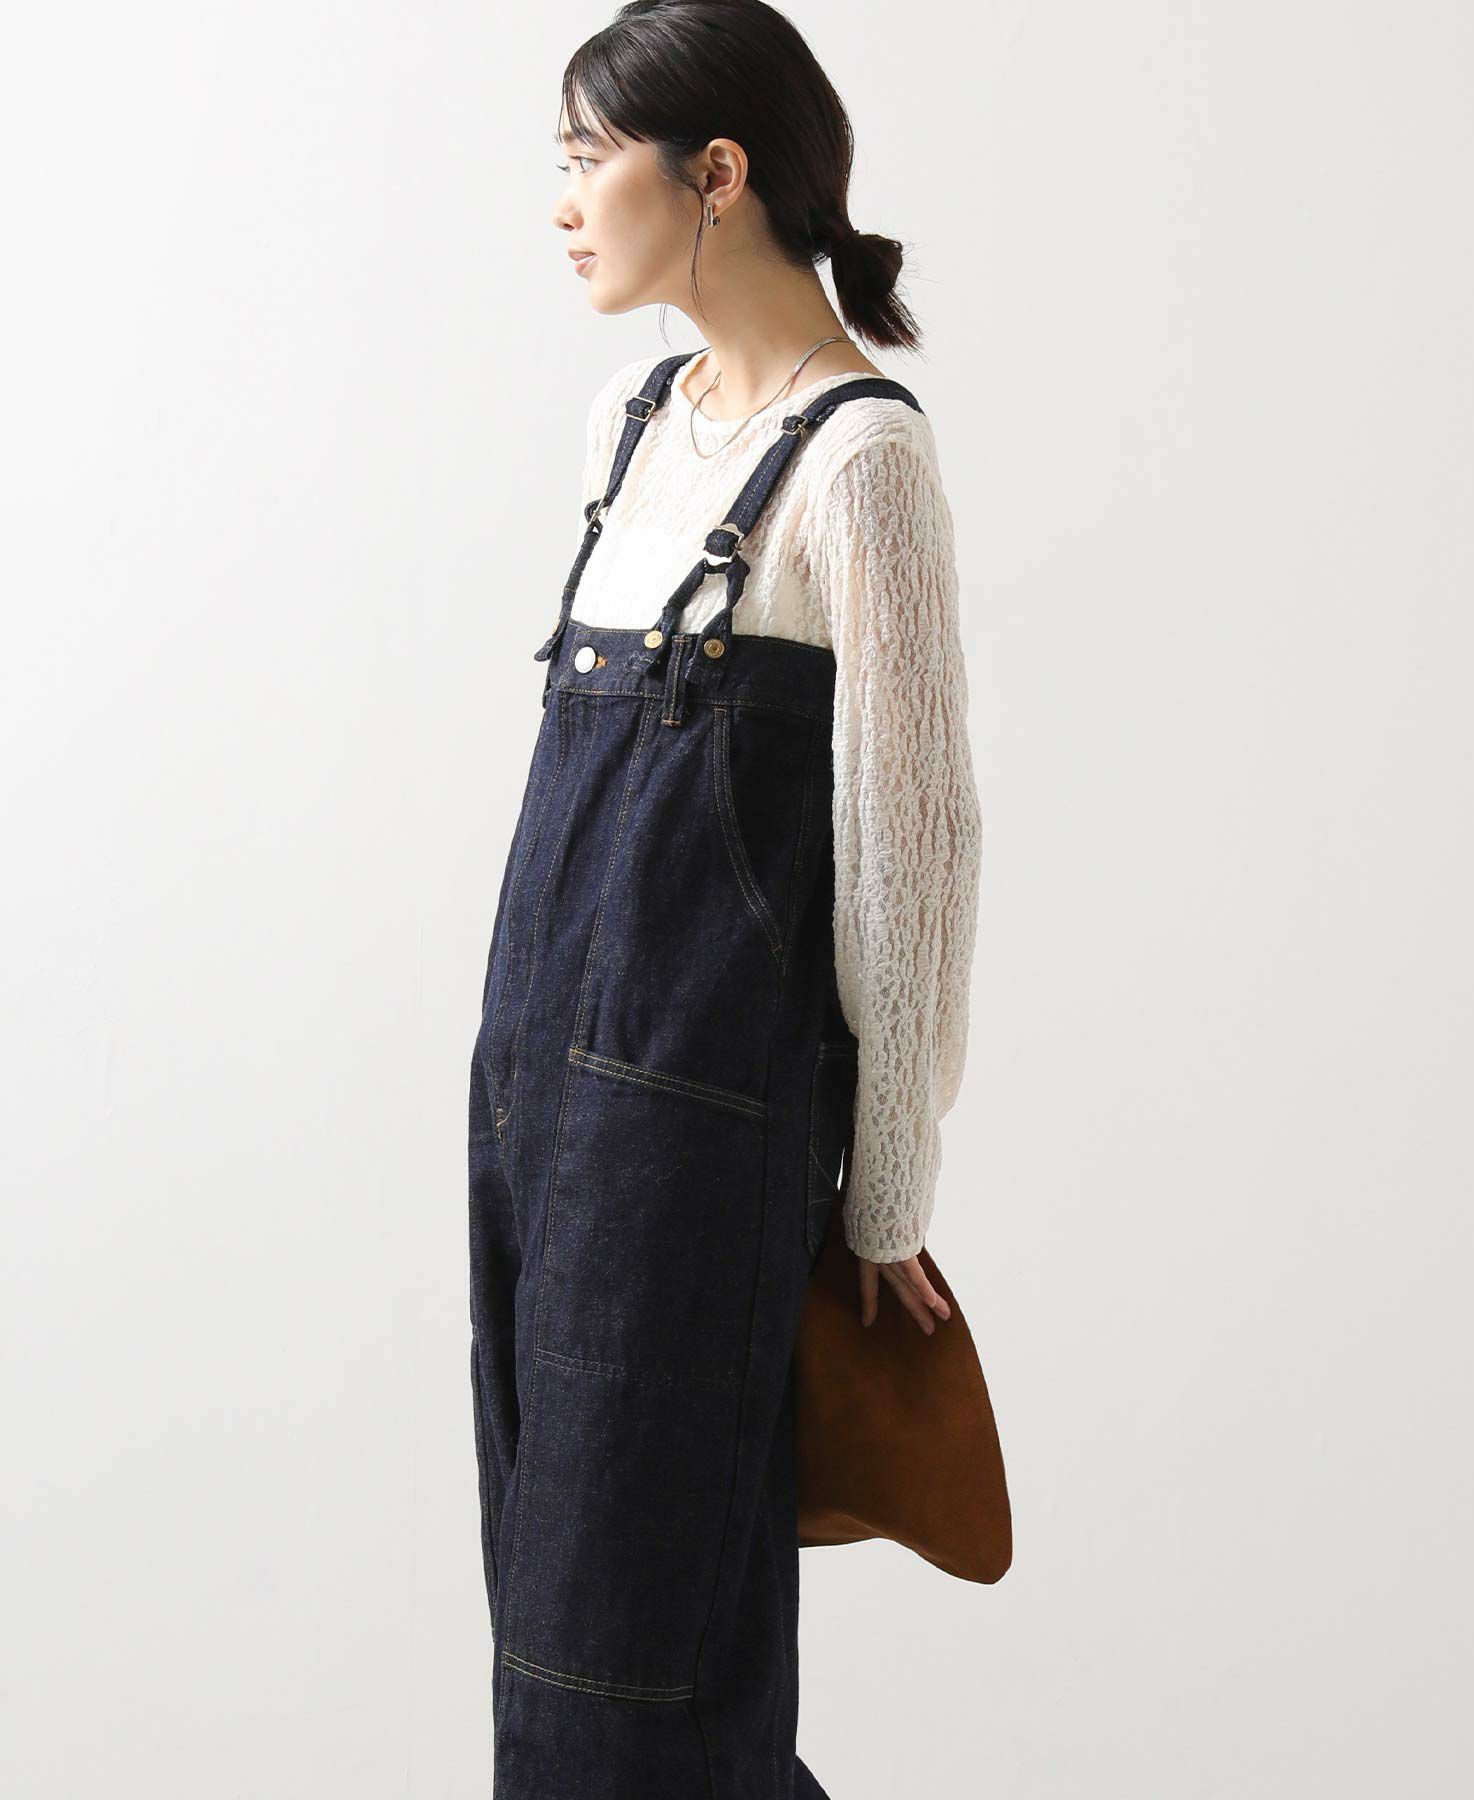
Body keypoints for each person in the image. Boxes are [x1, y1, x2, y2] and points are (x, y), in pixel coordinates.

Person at [467, 3, 982, 1793]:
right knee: (554, 1653)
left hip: (695, 1149)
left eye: (585, 158)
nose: (561, 204)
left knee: (638, 1688)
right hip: (530, 1109)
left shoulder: (860, 459)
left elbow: (915, 844)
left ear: (719, 174)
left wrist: (886, 1194)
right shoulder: (633, 426)